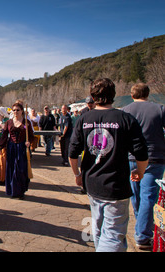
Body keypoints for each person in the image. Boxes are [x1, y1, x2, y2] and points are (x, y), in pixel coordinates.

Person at [69, 78, 149, 252]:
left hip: (92, 183)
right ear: (114, 94)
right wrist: (140, 172)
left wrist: (77, 174)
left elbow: (72, 153)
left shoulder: (84, 119)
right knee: (112, 233)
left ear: (92, 95)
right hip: (116, 186)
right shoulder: (126, 119)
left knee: (98, 228)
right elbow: (142, 153)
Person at [121, 82, 165, 250]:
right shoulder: (159, 109)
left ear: (132, 95)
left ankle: (141, 228)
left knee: (137, 195)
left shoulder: (125, 111)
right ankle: (143, 234)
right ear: (148, 94)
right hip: (154, 158)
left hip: (131, 157)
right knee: (148, 197)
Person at [0, 100, 35, 199]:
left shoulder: (26, 123)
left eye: (17, 110)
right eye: (13, 110)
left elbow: (32, 136)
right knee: (11, 169)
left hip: (22, 148)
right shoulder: (9, 122)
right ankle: (13, 191)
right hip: (11, 148)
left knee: (21, 170)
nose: (15, 112)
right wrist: (0, 148)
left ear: (22, 111)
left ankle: (21, 191)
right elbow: (4, 136)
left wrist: (29, 142)